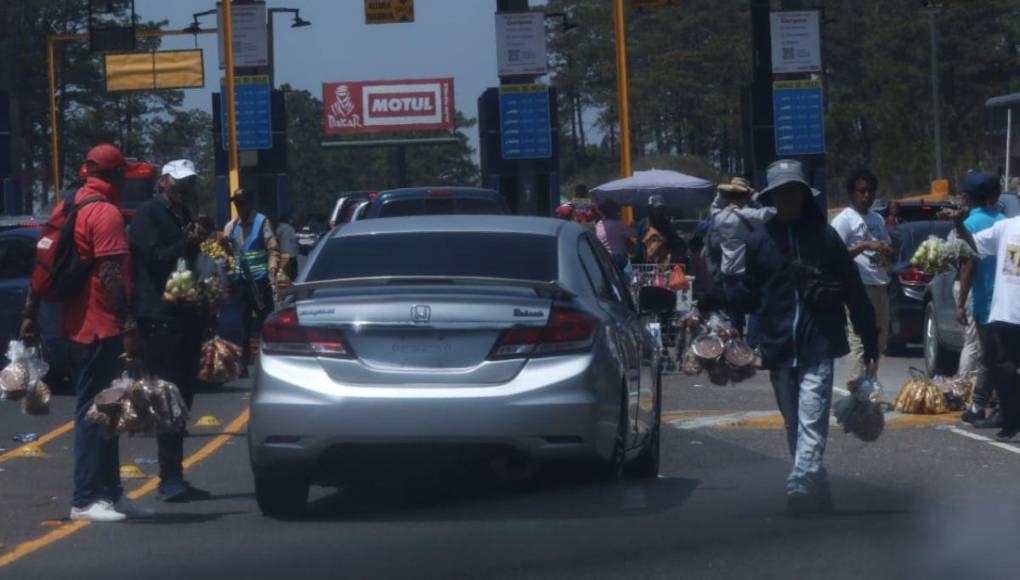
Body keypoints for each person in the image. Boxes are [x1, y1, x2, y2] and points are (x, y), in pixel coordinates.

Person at [722, 159, 879, 516]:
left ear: (804, 195)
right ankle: (816, 484)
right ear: (772, 197)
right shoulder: (760, 241)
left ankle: (799, 485)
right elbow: (750, 293)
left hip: (819, 342)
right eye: (781, 192)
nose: (788, 197)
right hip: (777, 346)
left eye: (793, 190)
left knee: (811, 417)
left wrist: (870, 339)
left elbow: (853, 289)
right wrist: (720, 301)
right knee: (794, 421)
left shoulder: (825, 238)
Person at [21, 144, 149, 522]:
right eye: (123, 174)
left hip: (75, 326)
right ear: (115, 175)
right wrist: (128, 324)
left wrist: (30, 313)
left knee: (107, 412)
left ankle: (110, 494)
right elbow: (111, 275)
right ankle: (85, 499)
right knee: (95, 412)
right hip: (98, 327)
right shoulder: (103, 212)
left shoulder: (68, 206)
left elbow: (42, 263)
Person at [128, 159, 212, 503]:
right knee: (168, 398)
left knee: (184, 397)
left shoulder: (183, 214)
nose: (184, 188)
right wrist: (187, 244)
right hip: (162, 318)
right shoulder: (150, 214)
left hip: (186, 313)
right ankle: (170, 478)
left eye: (188, 183)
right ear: (163, 181)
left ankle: (175, 474)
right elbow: (155, 259)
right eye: (178, 182)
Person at [953, 205, 1020, 441]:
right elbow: (972, 244)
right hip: (1004, 313)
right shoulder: (1005, 227)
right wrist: (959, 224)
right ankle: (1010, 421)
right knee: (1002, 368)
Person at [952, 172, 1007, 428]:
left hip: (985, 300)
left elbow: (967, 266)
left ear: (971, 197)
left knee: (988, 355)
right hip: (1007, 300)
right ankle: (987, 404)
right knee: (998, 355)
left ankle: (982, 405)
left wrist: (961, 302)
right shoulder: (1004, 221)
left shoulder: (969, 226)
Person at [830, 170, 894, 378]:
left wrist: (887, 253)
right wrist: (865, 244)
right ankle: (857, 388)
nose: (866, 196)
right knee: (859, 337)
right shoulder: (844, 220)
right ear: (852, 193)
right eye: (862, 191)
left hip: (880, 283)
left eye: (870, 191)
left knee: (879, 339)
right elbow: (834, 254)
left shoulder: (877, 219)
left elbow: (886, 247)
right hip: (858, 286)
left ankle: (870, 382)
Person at [704, 176, 776, 332]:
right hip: (747, 273)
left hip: (728, 274)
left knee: (735, 315)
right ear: (745, 196)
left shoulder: (719, 217)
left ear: (728, 196)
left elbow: (714, 207)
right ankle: (752, 345)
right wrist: (755, 196)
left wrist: (721, 194)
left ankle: (736, 349)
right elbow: (773, 212)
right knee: (756, 310)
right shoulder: (750, 215)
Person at [224, 189, 280, 377]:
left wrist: (272, 270)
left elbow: (272, 249)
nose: (239, 207)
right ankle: (242, 366)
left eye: (242, 203)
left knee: (266, 323)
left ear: (249, 203)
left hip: (260, 282)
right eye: (236, 203)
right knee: (243, 326)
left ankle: (271, 362)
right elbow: (227, 253)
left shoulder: (261, 222)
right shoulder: (231, 227)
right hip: (241, 284)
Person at [637, 195, 685, 265]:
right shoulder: (643, 224)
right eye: (657, 208)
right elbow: (639, 243)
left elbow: (675, 240)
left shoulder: (666, 223)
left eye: (661, 208)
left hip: (664, 260)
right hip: (647, 262)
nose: (659, 211)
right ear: (651, 208)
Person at [595, 199, 636, 274]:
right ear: (613, 211)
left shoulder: (599, 225)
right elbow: (634, 233)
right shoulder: (618, 224)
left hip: (603, 257)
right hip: (618, 257)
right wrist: (632, 226)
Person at [275, 213, 299, 280]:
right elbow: (294, 238)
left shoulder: (279, 228)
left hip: (284, 252)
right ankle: (294, 282)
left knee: (283, 271)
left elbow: (276, 237)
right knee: (294, 272)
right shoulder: (289, 228)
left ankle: (283, 284)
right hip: (292, 253)